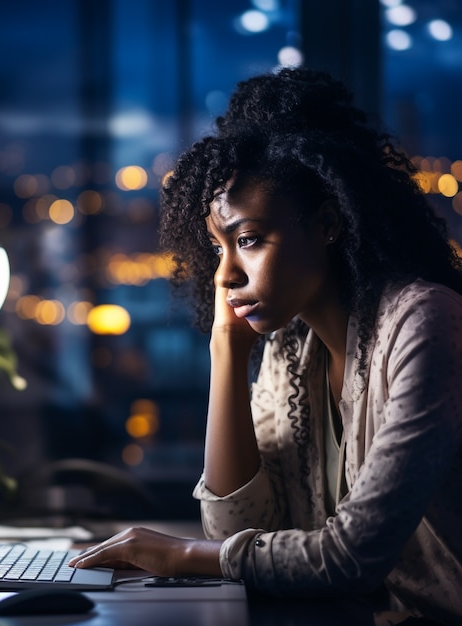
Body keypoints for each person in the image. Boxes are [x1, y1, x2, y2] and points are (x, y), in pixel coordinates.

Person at [69, 68, 462, 624]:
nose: (225, 274)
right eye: (217, 246)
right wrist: (225, 347)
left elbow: (353, 558)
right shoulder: (292, 352)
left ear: (328, 223)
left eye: (248, 240)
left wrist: (178, 555)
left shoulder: (422, 321)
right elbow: (235, 531)